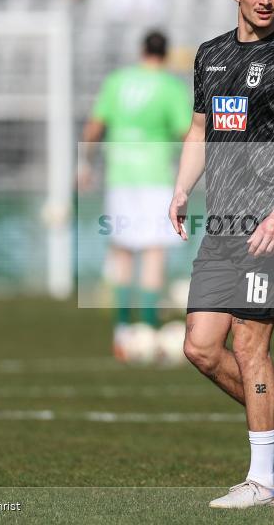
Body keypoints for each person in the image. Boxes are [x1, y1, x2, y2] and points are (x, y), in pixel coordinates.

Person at [168, 0, 274, 508]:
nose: (266, 0)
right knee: (200, 347)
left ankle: (264, 482)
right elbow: (197, 132)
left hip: (272, 227)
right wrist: (183, 187)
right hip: (223, 226)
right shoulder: (209, 56)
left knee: (250, 343)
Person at [81, 30, 191, 361]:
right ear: (166, 54)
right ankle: (148, 328)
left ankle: (122, 330)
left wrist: (85, 163)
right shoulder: (171, 86)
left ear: (141, 50)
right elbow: (187, 131)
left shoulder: (118, 81)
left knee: (123, 251)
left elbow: (95, 126)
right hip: (155, 177)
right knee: (154, 253)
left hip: (120, 176)